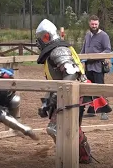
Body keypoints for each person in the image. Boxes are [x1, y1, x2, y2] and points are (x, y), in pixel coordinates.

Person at [35, 19, 108, 164]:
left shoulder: (58, 50)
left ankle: (68, 158)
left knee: (56, 128)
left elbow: (71, 72)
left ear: (46, 37)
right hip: (67, 91)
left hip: (74, 92)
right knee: (72, 126)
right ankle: (83, 155)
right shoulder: (54, 49)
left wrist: (57, 96)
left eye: (40, 39)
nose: (38, 43)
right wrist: (46, 103)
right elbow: (54, 82)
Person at [80, 15, 112, 119]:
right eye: (92, 24)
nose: (94, 26)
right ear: (89, 24)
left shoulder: (104, 36)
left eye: (96, 24)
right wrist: (79, 59)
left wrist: (97, 56)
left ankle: (104, 112)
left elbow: (107, 50)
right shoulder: (88, 35)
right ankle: (92, 110)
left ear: (98, 24)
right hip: (88, 67)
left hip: (98, 66)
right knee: (87, 89)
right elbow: (84, 49)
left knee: (100, 88)